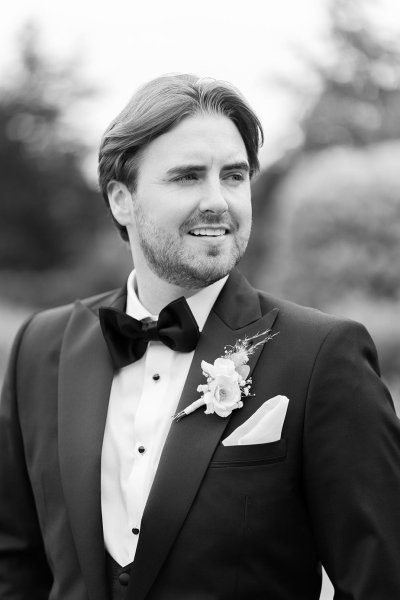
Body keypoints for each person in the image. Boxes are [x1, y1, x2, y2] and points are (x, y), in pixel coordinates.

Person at [1, 73, 400, 600]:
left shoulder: (323, 355)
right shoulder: (40, 346)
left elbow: (380, 583)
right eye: (188, 176)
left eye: (233, 176)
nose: (218, 200)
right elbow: (15, 567)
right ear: (122, 200)